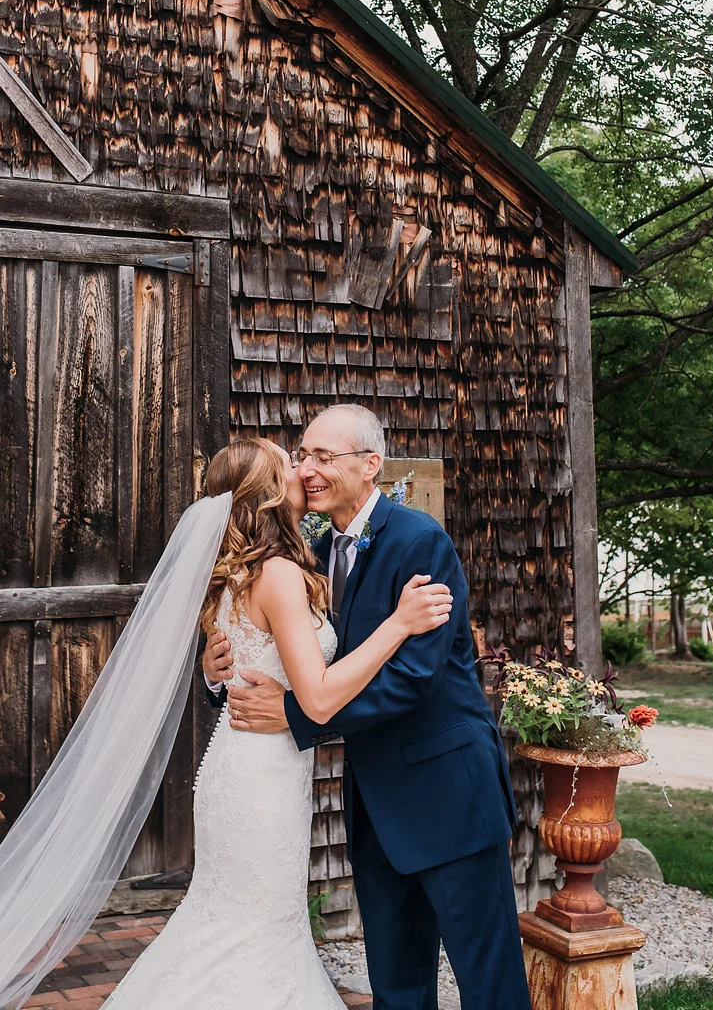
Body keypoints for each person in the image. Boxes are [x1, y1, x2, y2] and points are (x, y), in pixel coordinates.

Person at [104, 435, 453, 1008]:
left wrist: (215, 674)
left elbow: (242, 660)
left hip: (238, 767)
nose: (303, 468)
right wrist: (398, 624)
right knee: (259, 927)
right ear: (269, 492)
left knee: (231, 919)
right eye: (290, 463)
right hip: (262, 776)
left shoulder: (232, 574)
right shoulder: (279, 574)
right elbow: (316, 699)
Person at [204, 404, 533, 1010]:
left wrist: (298, 715)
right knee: (396, 984)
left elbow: (414, 677)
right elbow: (277, 644)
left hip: (446, 792)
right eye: (303, 455)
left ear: (370, 466)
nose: (307, 469)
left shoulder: (420, 541)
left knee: (488, 982)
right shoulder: (319, 550)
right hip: (375, 800)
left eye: (323, 457)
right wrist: (217, 670)